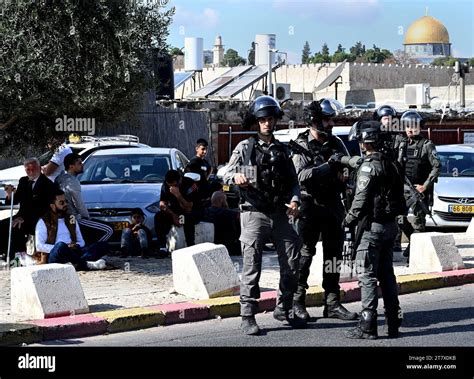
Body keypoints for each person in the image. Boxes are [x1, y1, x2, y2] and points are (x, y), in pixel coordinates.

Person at [223, 95, 306, 335]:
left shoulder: (282, 150)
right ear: (256, 122)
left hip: (280, 212)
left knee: (292, 261)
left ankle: (284, 307)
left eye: (270, 119)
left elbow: (293, 182)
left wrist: (294, 200)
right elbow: (225, 174)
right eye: (263, 120)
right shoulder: (245, 148)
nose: (267, 124)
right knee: (252, 265)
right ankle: (247, 315)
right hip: (253, 213)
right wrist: (236, 177)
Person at [290, 99, 358, 321]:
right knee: (305, 256)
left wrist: (345, 176)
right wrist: (328, 166)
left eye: (331, 120)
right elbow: (301, 176)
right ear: (315, 121)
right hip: (309, 206)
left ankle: (332, 302)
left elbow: (348, 171)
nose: (330, 124)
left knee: (333, 256)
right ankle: (297, 302)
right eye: (326, 120)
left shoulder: (337, 143)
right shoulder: (300, 144)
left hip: (332, 205)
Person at [344, 121, 406, 339]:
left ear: (365, 143)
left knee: (367, 275)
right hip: (390, 228)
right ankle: (393, 321)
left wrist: (348, 220)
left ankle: (367, 325)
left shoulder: (369, 166)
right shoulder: (391, 162)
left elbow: (360, 200)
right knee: (387, 274)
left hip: (372, 228)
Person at [394, 111, 440, 258]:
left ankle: (416, 252)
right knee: (398, 218)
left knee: (419, 223)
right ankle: (413, 241)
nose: (410, 129)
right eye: (407, 126)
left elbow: (436, 166)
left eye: (413, 126)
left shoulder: (427, 145)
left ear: (420, 127)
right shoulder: (401, 144)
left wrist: (425, 186)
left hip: (419, 190)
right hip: (402, 188)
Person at [35, 189, 109, 270]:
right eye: (61, 203)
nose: (65, 204)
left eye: (66, 201)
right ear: (52, 206)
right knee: (60, 246)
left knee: (103, 245)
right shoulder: (43, 221)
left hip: (73, 251)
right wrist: (65, 247)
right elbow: (39, 246)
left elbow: (81, 241)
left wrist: (74, 246)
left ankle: (76, 263)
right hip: (55, 254)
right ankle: (84, 264)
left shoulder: (71, 218)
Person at [0, 158, 56, 260]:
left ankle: (19, 255)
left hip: (39, 218)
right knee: (3, 225)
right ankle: (5, 253)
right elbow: (14, 201)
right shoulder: (23, 181)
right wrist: (9, 194)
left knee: (17, 227)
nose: (30, 171)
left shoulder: (47, 184)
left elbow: (44, 207)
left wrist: (24, 218)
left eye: (33, 169)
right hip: (21, 215)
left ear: (39, 168)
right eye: (28, 169)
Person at [55, 153, 113, 244]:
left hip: (65, 218)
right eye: (79, 163)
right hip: (75, 219)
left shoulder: (59, 178)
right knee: (109, 230)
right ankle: (91, 250)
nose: (82, 165)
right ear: (71, 166)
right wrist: (87, 217)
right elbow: (78, 204)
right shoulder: (72, 181)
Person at [154, 169, 204, 256]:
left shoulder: (189, 184)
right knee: (159, 216)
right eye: (170, 186)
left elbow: (188, 208)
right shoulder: (166, 185)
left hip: (193, 211)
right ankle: (162, 248)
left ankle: (190, 246)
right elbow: (162, 203)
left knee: (187, 217)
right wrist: (173, 215)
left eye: (174, 185)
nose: (171, 188)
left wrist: (178, 195)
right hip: (175, 212)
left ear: (180, 180)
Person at [203, 191, 241, 256]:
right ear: (221, 200)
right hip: (228, 245)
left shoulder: (206, 211)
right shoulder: (225, 212)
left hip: (213, 243)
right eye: (225, 200)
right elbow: (240, 216)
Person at [186, 138, 212, 203]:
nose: (205, 151)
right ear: (197, 149)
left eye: (206, 149)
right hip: (197, 196)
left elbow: (210, 170)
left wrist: (206, 179)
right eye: (203, 149)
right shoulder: (194, 162)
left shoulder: (205, 162)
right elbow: (188, 177)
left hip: (206, 194)